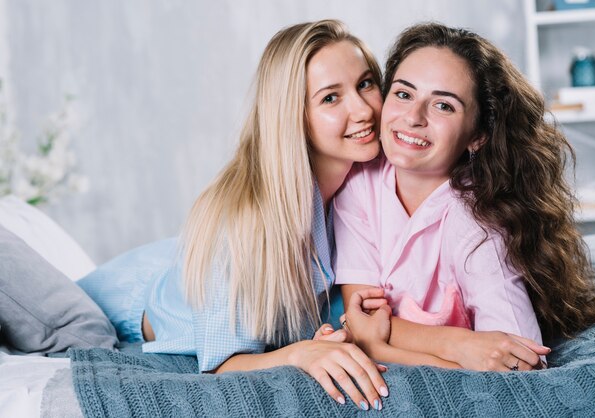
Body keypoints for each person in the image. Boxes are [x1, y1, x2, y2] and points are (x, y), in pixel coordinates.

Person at [79, 19, 389, 411]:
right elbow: (221, 366)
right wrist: (300, 354)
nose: (363, 110)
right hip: (132, 297)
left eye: (365, 83)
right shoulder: (242, 226)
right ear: (293, 115)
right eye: (330, 98)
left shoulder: (374, 180)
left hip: (176, 256)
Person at [332, 22, 595, 371]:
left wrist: (382, 340)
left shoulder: (477, 224)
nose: (412, 118)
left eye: (443, 106)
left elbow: (520, 359)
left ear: (478, 136)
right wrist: (460, 344)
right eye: (404, 94)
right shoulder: (359, 180)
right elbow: (360, 320)